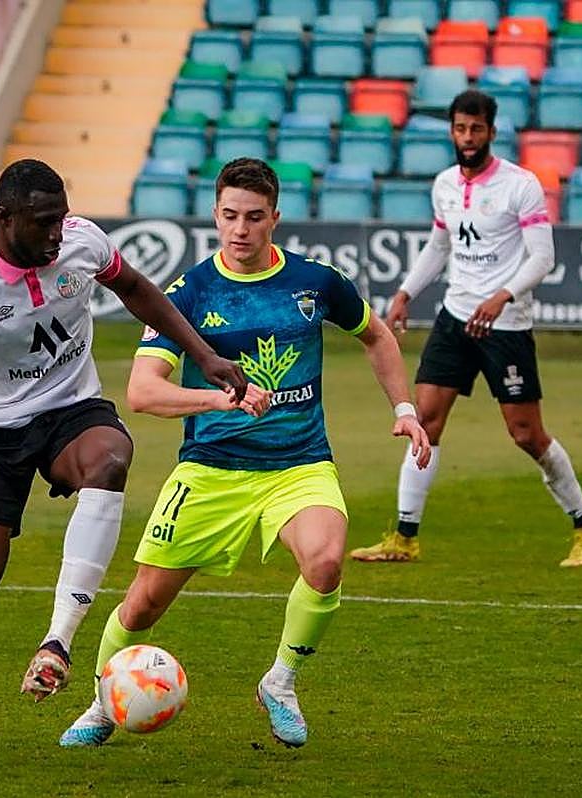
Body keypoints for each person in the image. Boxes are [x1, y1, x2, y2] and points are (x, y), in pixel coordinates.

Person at [0, 159, 248, 766]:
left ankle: (57, 643)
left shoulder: (81, 241)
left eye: (61, 218)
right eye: (43, 223)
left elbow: (137, 290)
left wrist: (205, 353)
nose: (56, 234)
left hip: (72, 410)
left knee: (111, 458)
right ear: (4, 217)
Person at [59, 158, 431, 750]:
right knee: (142, 605)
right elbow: (143, 392)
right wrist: (220, 398)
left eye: (254, 217)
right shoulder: (188, 293)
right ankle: (104, 702)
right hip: (211, 472)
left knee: (327, 561)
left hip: (299, 465)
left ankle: (280, 682)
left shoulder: (315, 282)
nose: (240, 229)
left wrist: (404, 410)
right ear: (215, 215)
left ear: (274, 219)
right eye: (230, 216)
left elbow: (376, 335)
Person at [349, 89, 582, 568]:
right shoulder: (445, 183)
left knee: (526, 434)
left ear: (492, 131)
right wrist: (406, 292)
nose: (467, 138)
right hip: (455, 317)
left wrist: (502, 295)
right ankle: (404, 536)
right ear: (452, 131)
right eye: (460, 128)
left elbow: (543, 257)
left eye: (476, 129)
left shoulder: (520, 185)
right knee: (424, 422)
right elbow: (439, 246)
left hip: (505, 324)